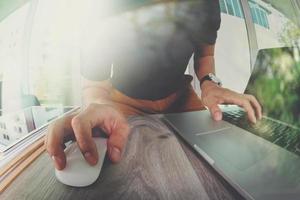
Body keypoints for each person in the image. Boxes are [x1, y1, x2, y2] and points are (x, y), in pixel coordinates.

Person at [45, 0, 262, 170]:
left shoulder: (207, 3)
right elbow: (95, 83)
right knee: (118, 162)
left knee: (219, 158)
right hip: (124, 100)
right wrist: (97, 103)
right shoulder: (101, 7)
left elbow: (205, 56)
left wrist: (209, 84)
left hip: (181, 96)